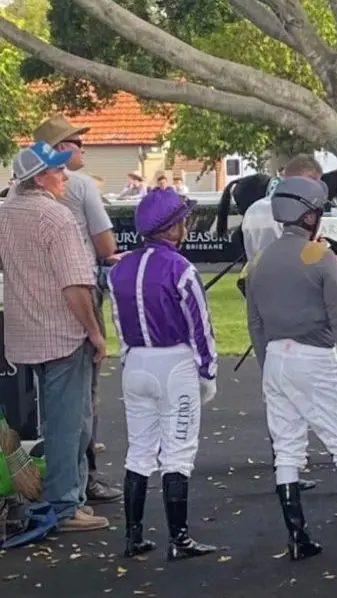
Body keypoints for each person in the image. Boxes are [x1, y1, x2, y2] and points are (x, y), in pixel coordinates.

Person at [245, 176, 337, 560]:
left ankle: (298, 539)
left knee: (288, 450)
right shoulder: (319, 256)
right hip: (315, 357)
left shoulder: (259, 260)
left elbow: (255, 324)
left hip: (276, 359)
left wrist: (267, 369)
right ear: (309, 215)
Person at [0, 142, 109, 532]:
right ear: (40, 178)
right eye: (58, 171)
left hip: (25, 333)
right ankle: (64, 505)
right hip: (63, 332)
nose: (65, 176)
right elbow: (75, 287)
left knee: (58, 418)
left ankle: (69, 498)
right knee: (70, 423)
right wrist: (95, 332)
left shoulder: (5, 213)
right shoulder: (56, 218)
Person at [108, 187, 218, 561]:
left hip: (135, 362)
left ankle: (133, 536)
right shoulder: (181, 268)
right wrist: (208, 370)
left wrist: (127, 357)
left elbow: (118, 326)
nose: (186, 226)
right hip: (174, 365)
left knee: (139, 452)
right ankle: (180, 539)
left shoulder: (120, 268)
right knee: (178, 452)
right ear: (171, 228)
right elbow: (200, 325)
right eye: (182, 221)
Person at [35, 114, 124, 504]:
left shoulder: (18, 194)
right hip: (78, 290)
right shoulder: (83, 187)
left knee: (49, 395)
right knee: (83, 395)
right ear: (57, 151)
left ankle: (57, 476)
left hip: (35, 296)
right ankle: (80, 483)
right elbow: (106, 248)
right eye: (74, 142)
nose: (82, 148)